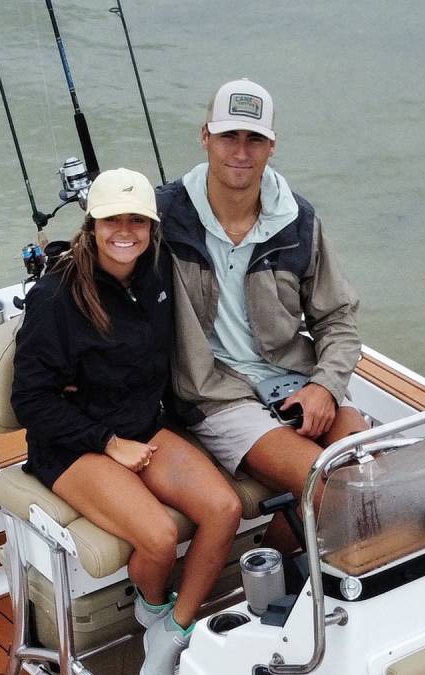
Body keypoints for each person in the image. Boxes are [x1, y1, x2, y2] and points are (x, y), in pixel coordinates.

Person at [11, 168, 242, 675]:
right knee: (159, 538)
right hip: (73, 447)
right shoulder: (54, 298)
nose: (126, 231)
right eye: (113, 218)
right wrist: (108, 443)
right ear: (92, 224)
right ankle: (153, 605)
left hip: (144, 427)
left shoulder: (155, 271)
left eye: (138, 220)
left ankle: (172, 632)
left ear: (152, 227)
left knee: (224, 509)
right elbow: (31, 402)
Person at [157, 79, 366, 531]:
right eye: (229, 135)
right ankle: (289, 580)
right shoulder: (160, 218)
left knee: (367, 474)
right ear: (205, 136)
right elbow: (96, 276)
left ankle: (279, 569)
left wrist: (326, 387)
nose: (240, 151)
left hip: (296, 381)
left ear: (272, 146)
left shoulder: (300, 220)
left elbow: (338, 318)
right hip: (215, 395)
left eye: (255, 139)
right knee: (326, 484)